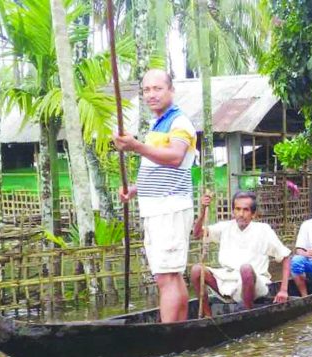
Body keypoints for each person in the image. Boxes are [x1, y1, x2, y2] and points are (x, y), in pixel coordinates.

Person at [113, 69, 196, 322]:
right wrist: (134, 189)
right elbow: (158, 167)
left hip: (168, 208)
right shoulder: (158, 124)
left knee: (165, 277)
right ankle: (178, 331)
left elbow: (175, 157)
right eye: (147, 90)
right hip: (159, 208)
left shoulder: (179, 122)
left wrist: (136, 146)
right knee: (171, 275)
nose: (151, 95)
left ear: (171, 90)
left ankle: (169, 335)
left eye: (158, 89)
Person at [190, 191, 292, 317]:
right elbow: (197, 234)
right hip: (227, 281)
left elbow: (285, 256)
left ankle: (247, 314)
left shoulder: (263, 230)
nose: (241, 214)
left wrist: (283, 290)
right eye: (237, 209)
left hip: (255, 284)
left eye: (246, 210)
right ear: (233, 212)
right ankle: (207, 316)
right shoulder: (225, 227)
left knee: (246, 269)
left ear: (253, 214)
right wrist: (203, 210)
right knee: (196, 270)